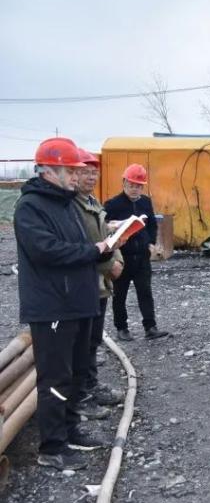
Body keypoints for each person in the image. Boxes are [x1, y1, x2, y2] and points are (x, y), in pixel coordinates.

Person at [14, 138, 111, 470]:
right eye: (70, 171)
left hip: (79, 302)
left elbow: (80, 246)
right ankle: (52, 446)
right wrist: (93, 251)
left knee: (77, 371)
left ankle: (70, 430)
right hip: (53, 307)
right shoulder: (30, 207)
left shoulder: (67, 204)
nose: (75, 176)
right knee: (55, 378)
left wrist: (106, 249)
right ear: (49, 171)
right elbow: (47, 251)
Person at [72, 149, 123, 410]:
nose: (91, 177)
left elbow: (107, 238)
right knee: (81, 342)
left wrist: (118, 260)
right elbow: (85, 245)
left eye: (94, 172)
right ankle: (81, 393)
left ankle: (90, 385)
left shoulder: (93, 202)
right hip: (85, 282)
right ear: (73, 174)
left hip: (100, 284)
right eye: (85, 172)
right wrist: (110, 264)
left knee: (92, 339)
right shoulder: (72, 207)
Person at [104, 163, 169, 340]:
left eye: (138, 186)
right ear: (124, 183)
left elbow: (152, 225)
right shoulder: (113, 204)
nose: (134, 189)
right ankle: (121, 328)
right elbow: (103, 228)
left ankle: (150, 327)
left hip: (141, 257)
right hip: (122, 256)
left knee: (145, 292)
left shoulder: (145, 202)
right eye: (131, 185)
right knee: (120, 293)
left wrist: (150, 243)